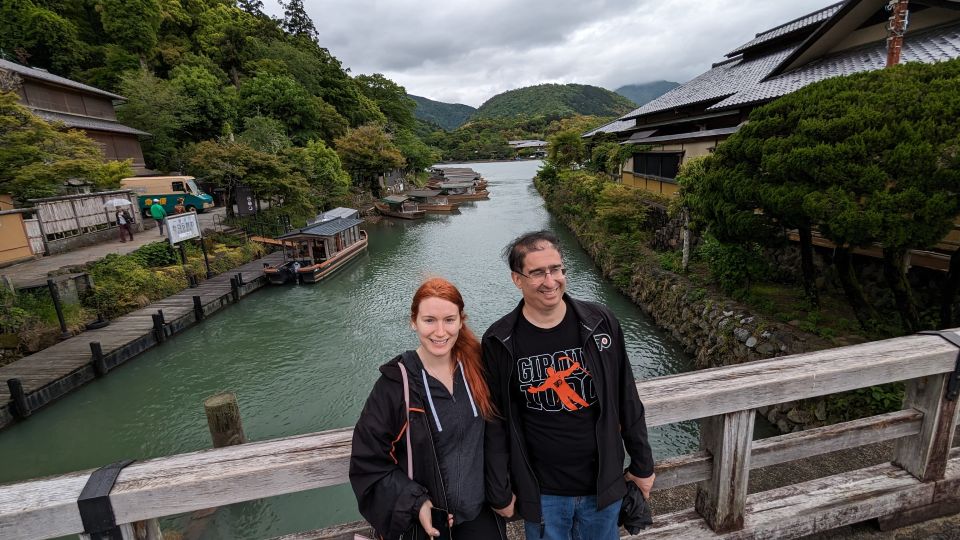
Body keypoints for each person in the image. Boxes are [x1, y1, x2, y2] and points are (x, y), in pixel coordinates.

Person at [482, 230, 656, 540]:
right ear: (517, 279)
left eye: (556, 269)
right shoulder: (500, 340)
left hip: (603, 485)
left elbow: (626, 396)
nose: (550, 281)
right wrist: (499, 488)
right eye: (537, 272)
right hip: (543, 492)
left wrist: (643, 465)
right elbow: (496, 420)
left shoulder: (601, 323)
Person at [351, 278, 507, 540]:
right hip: (428, 524)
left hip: (479, 514)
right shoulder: (397, 384)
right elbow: (368, 460)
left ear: (461, 320)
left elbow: (502, 431)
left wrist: (503, 491)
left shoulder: (477, 368)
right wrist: (416, 503)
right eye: (429, 320)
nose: (440, 331)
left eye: (449, 320)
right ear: (414, 322)